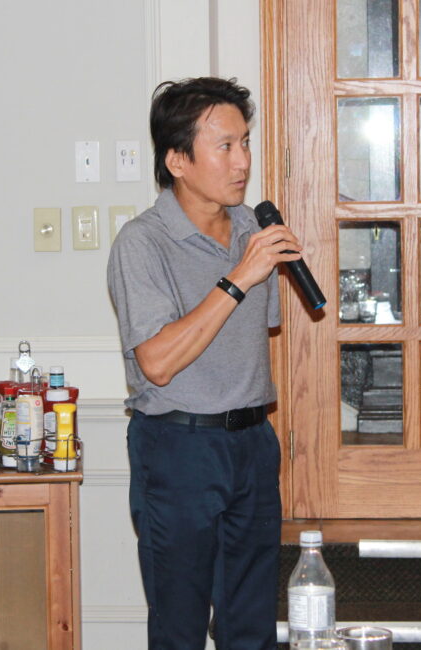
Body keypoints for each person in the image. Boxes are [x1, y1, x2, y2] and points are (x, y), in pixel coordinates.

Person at [107, 77, 303, 649]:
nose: (243, 161)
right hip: (178, 449)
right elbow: (158, 362)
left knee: (251, 628)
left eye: (246, 143)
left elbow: (261, 330)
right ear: (177, 160)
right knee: (181, 627)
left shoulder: (252, 229)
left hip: (253, 443)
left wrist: (252, 262)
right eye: (225, 146)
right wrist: (239, 277)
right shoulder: (142, 243)